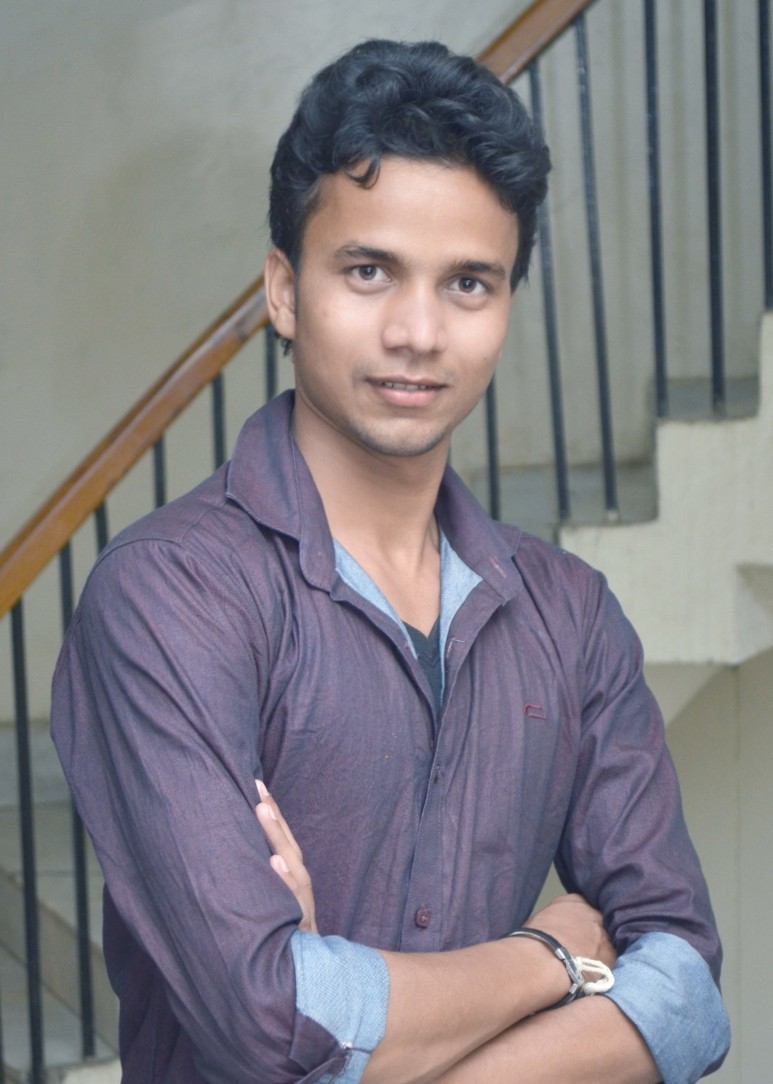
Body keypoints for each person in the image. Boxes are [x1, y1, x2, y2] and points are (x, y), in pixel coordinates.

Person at [51, 38, 730, 1083]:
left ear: (505, 306)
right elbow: (268, 1020)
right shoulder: (167, 596)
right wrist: (549, 955)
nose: (417, 332)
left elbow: (686, 991)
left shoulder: (571, 614)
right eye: (368, 271)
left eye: (468, 283)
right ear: (284, 290)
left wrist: (353, 1014)